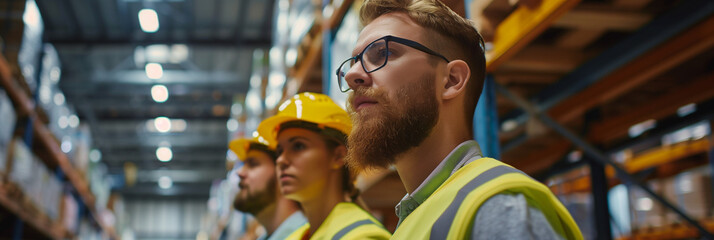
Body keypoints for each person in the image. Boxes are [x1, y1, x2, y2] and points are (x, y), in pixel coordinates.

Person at [336, 0, 583, 239]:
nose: (353, 75)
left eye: (382, 53)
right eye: (354, 62)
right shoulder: (413, 222)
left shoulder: (498, 207)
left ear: (451, 80)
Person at [256, 92, 391, 240]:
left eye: (298, 146)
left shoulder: (362, 236)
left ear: (338, 156)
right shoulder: (296, 236)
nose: (281, 160)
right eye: (279, 151)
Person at [230, 136, 307, 240]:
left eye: (253, 164)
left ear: (282, 172)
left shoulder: (307, 236)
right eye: (244, 164)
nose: (240, 173)